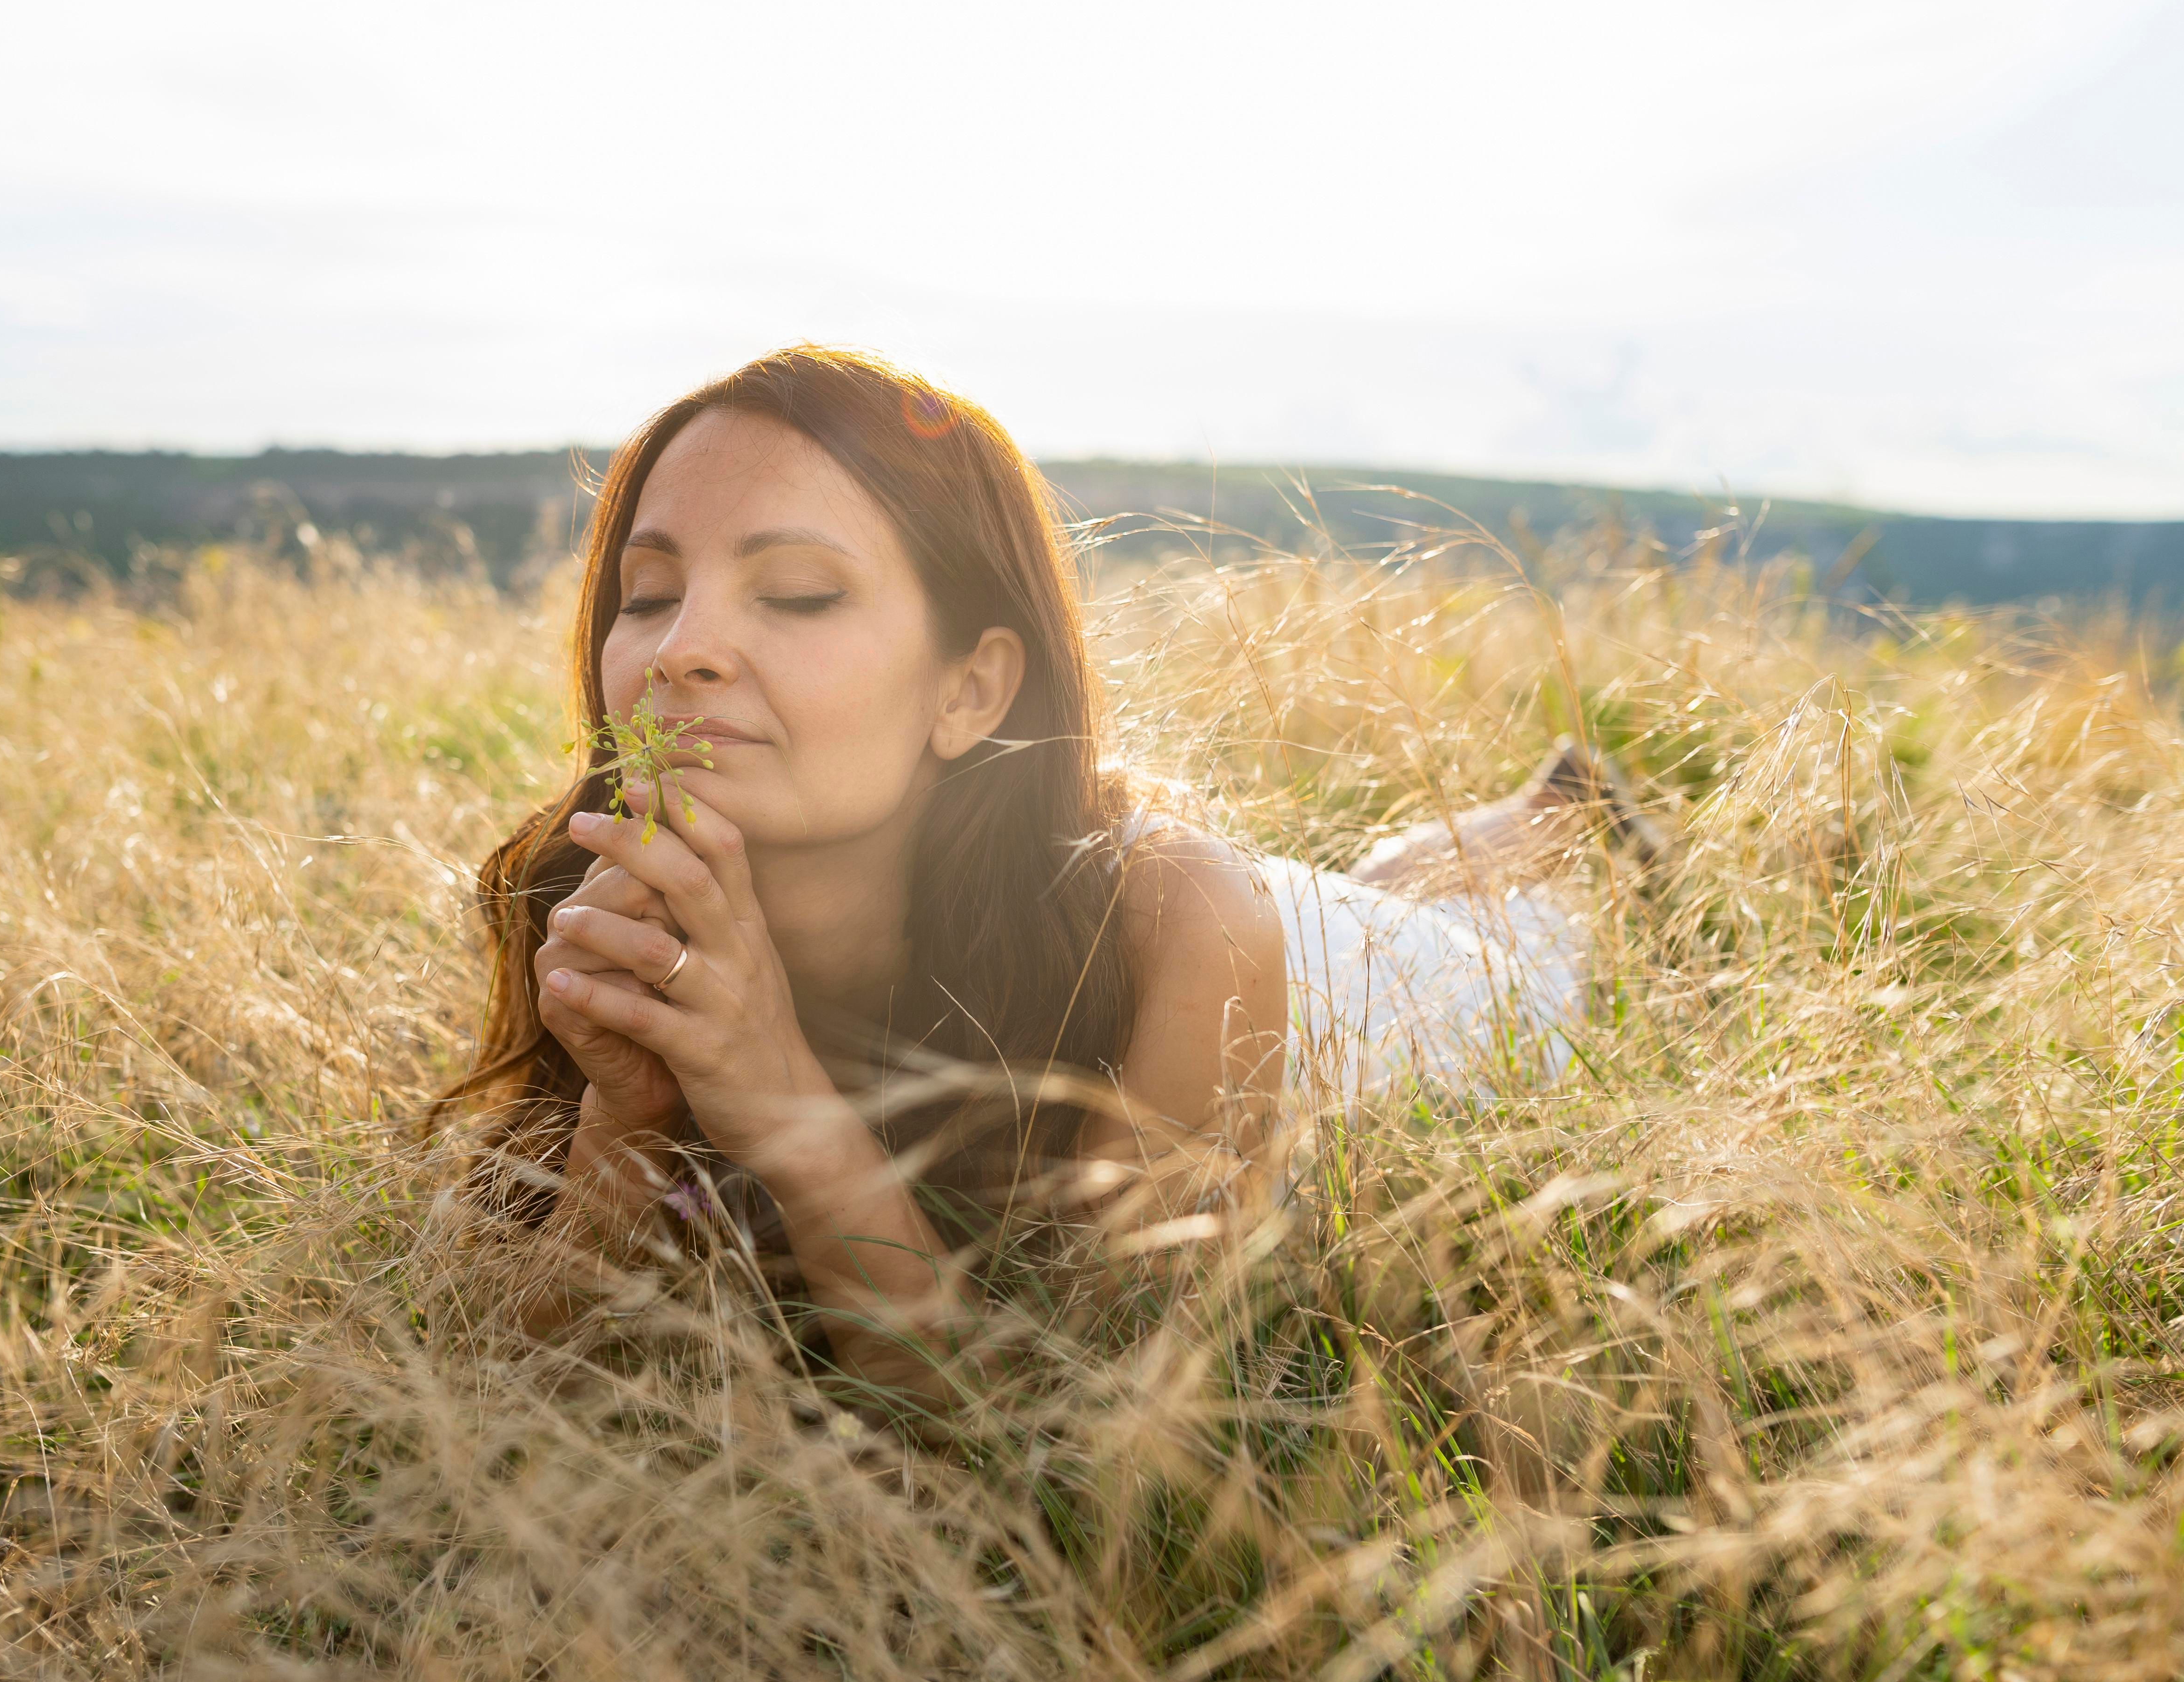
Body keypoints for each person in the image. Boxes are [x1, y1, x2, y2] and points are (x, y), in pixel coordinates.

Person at [433, 347, 1655, 1406]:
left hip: (1375, 987)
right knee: (1387, 870)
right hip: (1245, 908)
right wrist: (625, 1122)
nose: (683, 648)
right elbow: (516, 1407)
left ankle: (1575, 826)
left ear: (969, 689)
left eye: (796, 594)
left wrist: (791, 1114)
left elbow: (1065, 1452)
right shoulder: (589, 896)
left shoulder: (1179, 932)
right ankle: (1542, 807)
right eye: (647, 596)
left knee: (1507, 936)